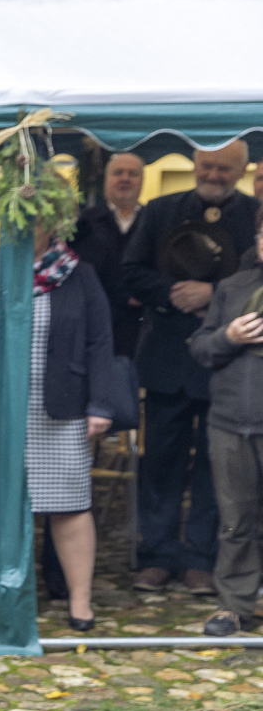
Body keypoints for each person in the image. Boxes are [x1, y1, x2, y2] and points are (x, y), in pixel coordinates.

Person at [0, 212, 116, 631]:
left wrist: (101, 404)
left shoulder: (80, 275)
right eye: (13, 221)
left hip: (59, 409)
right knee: (2, 507)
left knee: (69, 507)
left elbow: (100, 342)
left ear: (52, 225)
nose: (20, 229)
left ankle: (80, 602)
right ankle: (9, 597)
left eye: (32, 221)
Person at [119, 139, 258, 596]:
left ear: (241, 171)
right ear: (195, 163)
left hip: (226, 367)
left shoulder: (253, 215)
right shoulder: (160, 210)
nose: (213, 175)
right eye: (207, 166)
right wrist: (174, 293)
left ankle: (201, 558)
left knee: (214, 471)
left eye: (224, 169)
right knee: (161, 462)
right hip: (167, 360)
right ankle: (158, 556)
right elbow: (131, 271)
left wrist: (212, 294)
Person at [189, 232, 263, 636]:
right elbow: (201, 349)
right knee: (236, 521)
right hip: (230, 422)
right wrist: (228, 337)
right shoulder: (232, 287)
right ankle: (234, 606)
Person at [72, 151, 145, 357]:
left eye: (132, 173)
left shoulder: (154, 221)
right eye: (118, 173)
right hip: (93, 329)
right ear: (106, 179)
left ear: (142, 180)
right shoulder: (83, 223)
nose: (125, 178)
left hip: (140, 334)